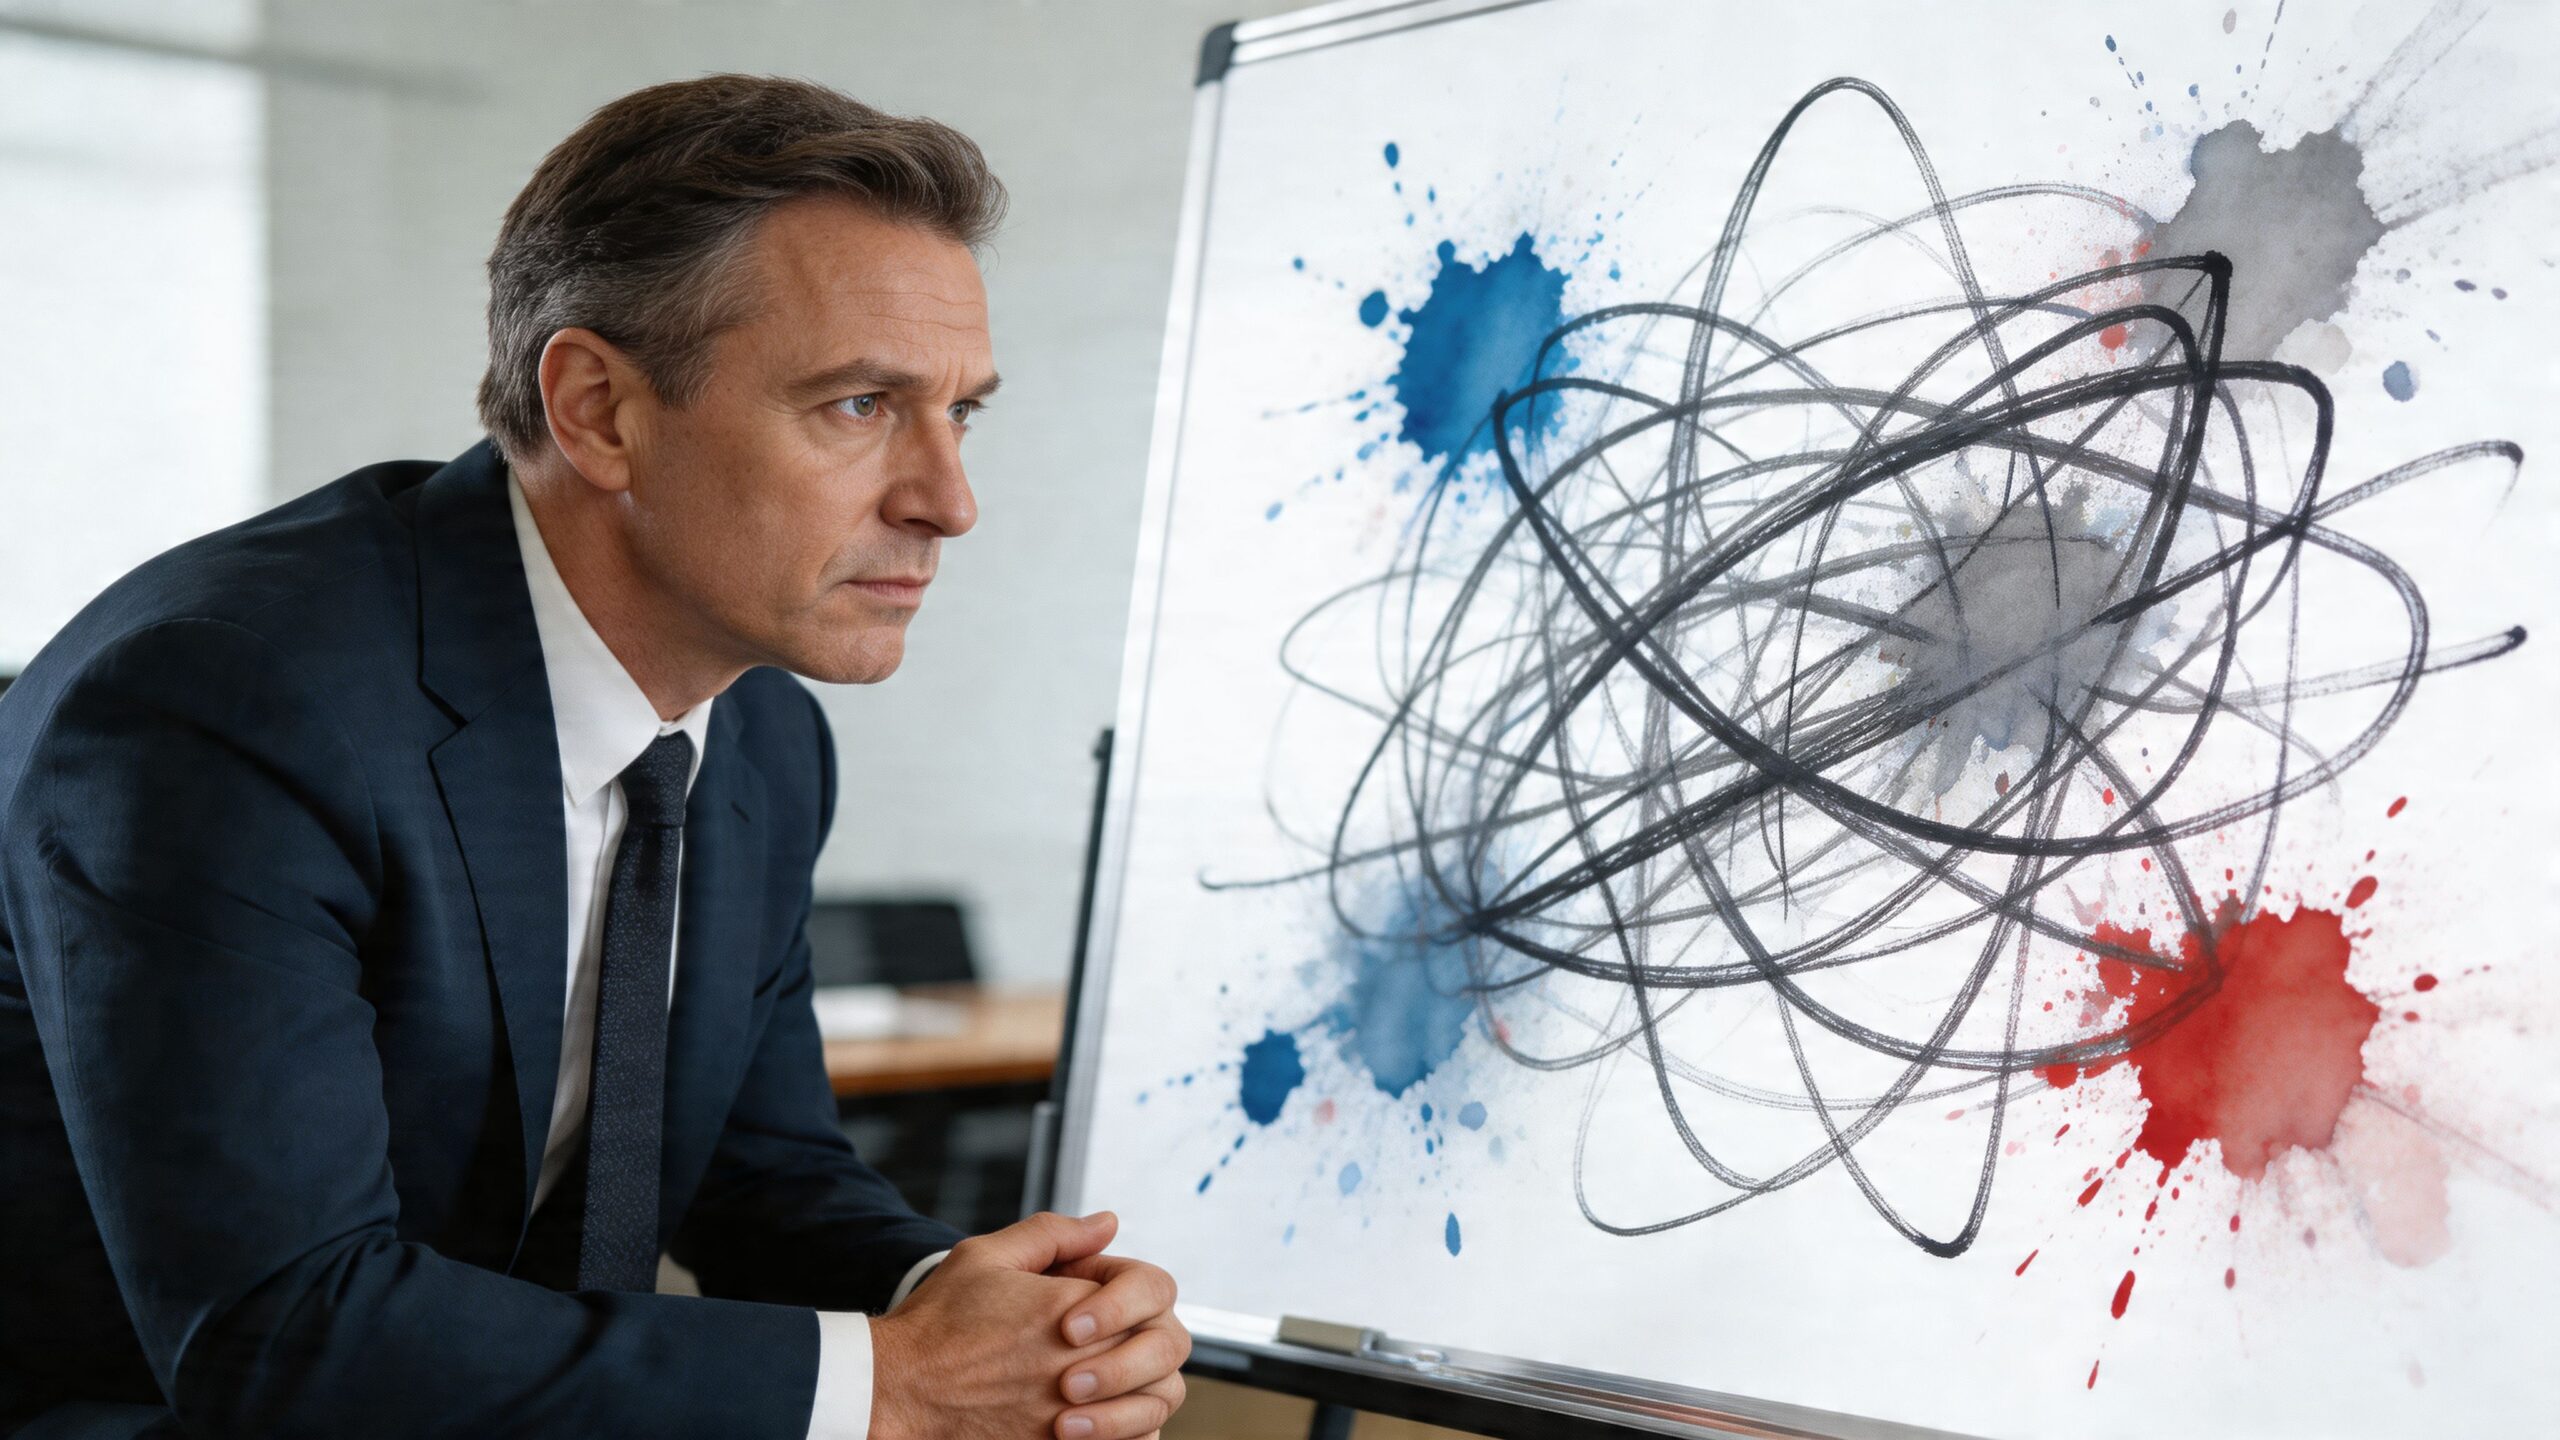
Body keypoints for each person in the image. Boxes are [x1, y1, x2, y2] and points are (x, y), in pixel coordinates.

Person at [0, 74, 1187, 1439]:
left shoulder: (762, 733)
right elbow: (283, 1333)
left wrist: (1004, 1321)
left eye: (962, 410)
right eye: (862, 405)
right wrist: (899, 1385)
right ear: (600, 411)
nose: (949, 501)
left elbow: (759, 1177)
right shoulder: (229, 700)